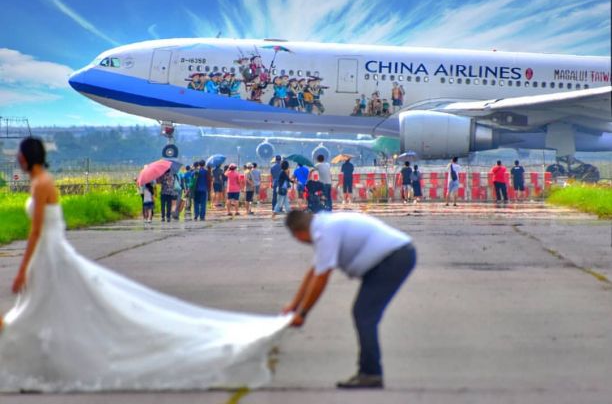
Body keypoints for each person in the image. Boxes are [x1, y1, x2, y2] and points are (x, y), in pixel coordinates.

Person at [0, 137, 290, 391]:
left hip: (48, 252)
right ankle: (42, 356)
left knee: (46, 305)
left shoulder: (40, 185)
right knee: (51, 305)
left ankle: (38, 356)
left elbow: (36, 231)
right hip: (53, 251)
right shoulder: (45, 182)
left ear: (26, 157)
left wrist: (23, 269)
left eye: (18, 156)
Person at [283, 210, 417, 389]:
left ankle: (371, 373)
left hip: (394, 257)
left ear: (298, 234)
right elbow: (314, 271)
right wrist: (294, 306)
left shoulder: (325, 231)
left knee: (364, 314)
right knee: (364, 314)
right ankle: (368, 371)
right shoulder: (323, 226)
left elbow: (322, 276)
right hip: (394, 256)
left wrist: (303, 313)